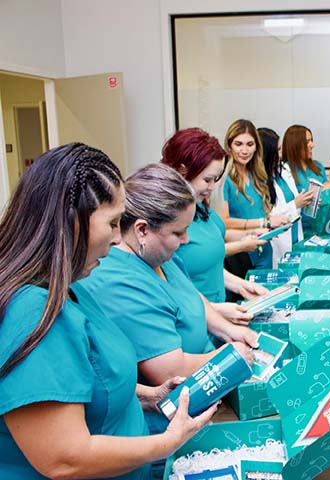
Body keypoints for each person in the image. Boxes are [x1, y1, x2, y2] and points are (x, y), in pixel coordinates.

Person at [0, 144, 214, 479]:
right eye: (113, 223)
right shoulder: (30, 313)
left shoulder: (74, 284)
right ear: (71, 223)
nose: (118, 239)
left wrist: (146, 395)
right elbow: (64, 458)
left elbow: (88, 381)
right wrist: (168, 441)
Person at [80, 164, 258, 442]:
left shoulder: (158, 255)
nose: (186, 240)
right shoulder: (118, 279)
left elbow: (188, 295)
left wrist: (227, 329)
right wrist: (229, 356)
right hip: (164, 428)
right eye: (178, 233)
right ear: (142, 230)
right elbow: (169, 369)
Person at [160, 128, 268, 309]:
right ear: (182, 171)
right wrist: (216, 311)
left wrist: (242, 286)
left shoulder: (199, 205)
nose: (212, 187)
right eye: (207, 179)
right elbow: (172, 292)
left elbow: (211, 268)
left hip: (217, 314)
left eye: (215, 179)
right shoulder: (166, 220)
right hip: (195, 318)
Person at [221, 119, 288, 269]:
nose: (244, 151)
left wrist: (275, 224)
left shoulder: (257, 174)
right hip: (240, 252)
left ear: (257, 147)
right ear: (229, 146)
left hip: (264, 248)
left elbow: (262, 212)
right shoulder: (224, 179)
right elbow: (223, 222)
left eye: (250, 144)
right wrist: (262, 223)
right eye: (238, 144)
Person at [259, 127, 313, 266]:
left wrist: (305, 201)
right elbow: (268, 218)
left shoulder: (284, 170)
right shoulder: (258, 181)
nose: (280, 153)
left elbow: (294, 203)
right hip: (278, 242)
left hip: (295, 236)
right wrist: (295, 204)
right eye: (277, 150)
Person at [283, 124, 328, 234]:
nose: (312, 145)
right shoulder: (285, 170)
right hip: (297, 229)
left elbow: (327, 193)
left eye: (311, 140)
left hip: (320, 227)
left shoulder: (318, 167)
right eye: (307, 141)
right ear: (295, 144)